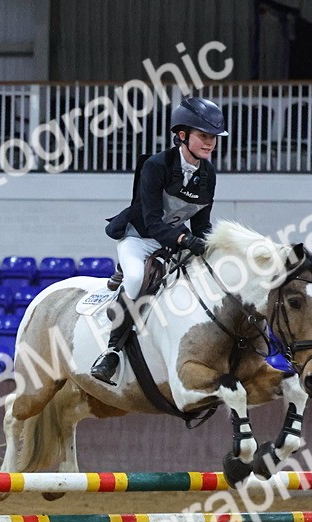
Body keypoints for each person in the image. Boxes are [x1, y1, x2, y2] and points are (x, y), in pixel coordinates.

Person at [90, 96, 228, 386]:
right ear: (182, 135)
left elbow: (201, 224)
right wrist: (185, 238)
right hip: (139, 239)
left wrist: (212, 246)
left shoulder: (208, 174)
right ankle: (111, 352)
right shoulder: (155, 165)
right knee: (135, 279)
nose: (210, 143)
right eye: (203, 136)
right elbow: (152, 220)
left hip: (173, 245)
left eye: (213, 137)